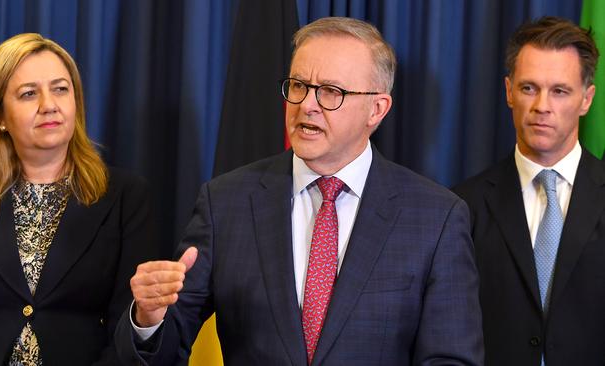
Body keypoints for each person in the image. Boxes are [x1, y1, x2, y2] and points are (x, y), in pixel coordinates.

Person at [116, 17, 483, 365]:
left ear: (377, 109)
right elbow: (165, 349)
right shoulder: (226, 202)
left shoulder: (436, 217)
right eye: (298, 86)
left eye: (330, 92)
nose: (307, 105)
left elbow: (450, 358)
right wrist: (149, 317)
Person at [0, 33, 158, 365]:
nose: (48, 104)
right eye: (29, 93)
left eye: (60, 89)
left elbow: (127, 332)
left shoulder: (125, 197)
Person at [453, 16, 602, 366]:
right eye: (529, 88)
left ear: (586, 99)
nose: (542, 107)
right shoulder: (461, 206)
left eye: (560, 91)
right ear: (508, 92)